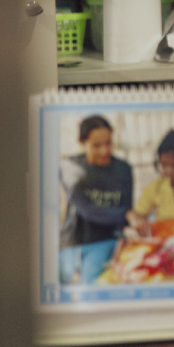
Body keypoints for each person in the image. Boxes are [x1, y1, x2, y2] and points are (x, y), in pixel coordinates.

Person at [59, 115, 133, 285]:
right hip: (72, 242)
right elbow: (89, 210)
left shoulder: (124, 170)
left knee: (94, 290)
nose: (104, 151)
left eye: (109, 143)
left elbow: (125, 218)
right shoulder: (71, 168)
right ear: (81, 143)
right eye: (96, 145)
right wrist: (127, 214)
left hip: (105, 241)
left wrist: (119, 251)